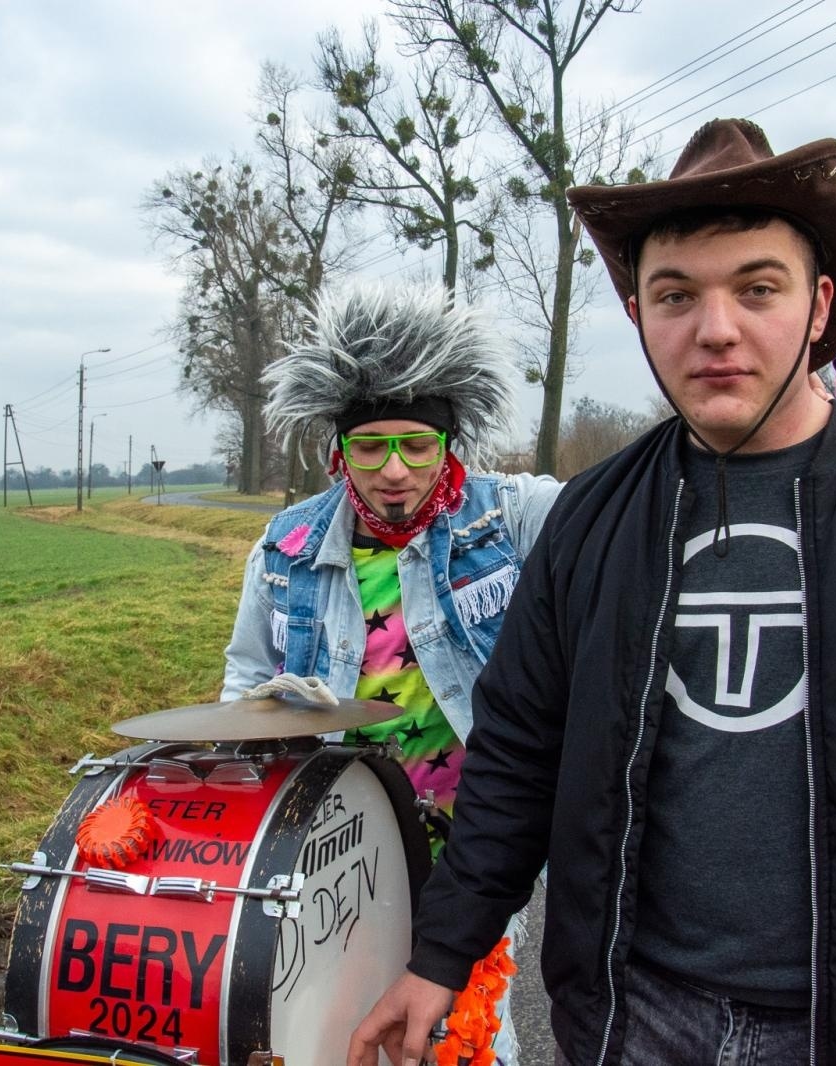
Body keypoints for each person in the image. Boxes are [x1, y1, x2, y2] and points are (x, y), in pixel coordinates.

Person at [349, 118, 836, 1066]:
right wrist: (442, 951)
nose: (716, 329)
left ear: (821, 306)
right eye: (675, 295)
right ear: (636, 314)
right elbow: (519, 757)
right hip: (636, 1016)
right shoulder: (590, 519)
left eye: (758, 288)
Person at [222, 283, 560, 1066]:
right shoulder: (285, 546)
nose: (396, 470)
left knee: (461, 1037)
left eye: (417, 444)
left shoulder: (510, 517)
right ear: (339, 451)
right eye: (370, 447)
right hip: (342, 844)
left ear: (450, 442)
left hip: (476, 844)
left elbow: (620, 516)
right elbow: (246, 677)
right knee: (346, 1023)